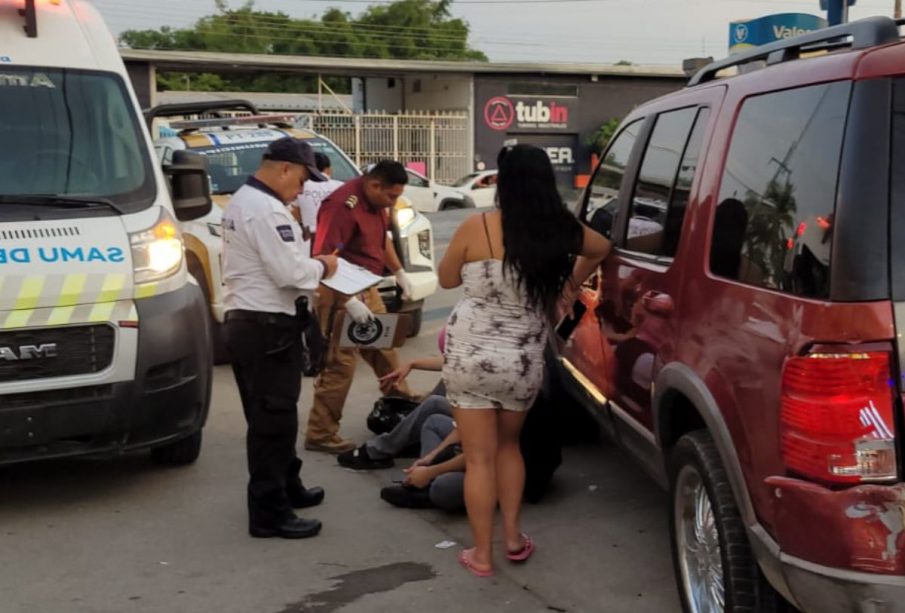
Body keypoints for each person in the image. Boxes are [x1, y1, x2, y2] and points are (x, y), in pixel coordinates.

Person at [438, 144, 611, 577]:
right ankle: (513, 537)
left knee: (478, 458)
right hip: (521, 357)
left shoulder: (476, 226)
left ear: (504, 181)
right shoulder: (560, 229)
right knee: (508, 447)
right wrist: (568, 284)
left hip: (469, 353)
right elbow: (602, 247)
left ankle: (481, 554)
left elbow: (445, 279)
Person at [221, 136, 339, 540]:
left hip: (253, 324)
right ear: (285, 168)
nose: (304, 189)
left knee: (272, 417)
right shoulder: (266, 210)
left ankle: (289, 486)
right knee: (273, 422)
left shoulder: (245, 201)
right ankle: (269, 513)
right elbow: (290, 274)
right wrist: (325, 266)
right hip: (266, 326)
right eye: (303, 179)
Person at [304, 160, 416, 454]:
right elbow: (324, 255)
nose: (393, 203)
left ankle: (403, 410)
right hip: (338, 289)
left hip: (366, 285)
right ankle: (320, 432)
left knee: (385, 351)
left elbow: (381, 241)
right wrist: (348, 301)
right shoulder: (343, 205)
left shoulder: (376, 202)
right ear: (374, 184)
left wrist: (400, 272)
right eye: (391, 196)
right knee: (339, 365)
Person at [292, 152, 344, 255]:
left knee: (316, 268)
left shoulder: (301, 186)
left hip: (312, 239)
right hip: (338, 241)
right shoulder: (341, 187)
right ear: (329, 169)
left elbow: (295, 215)